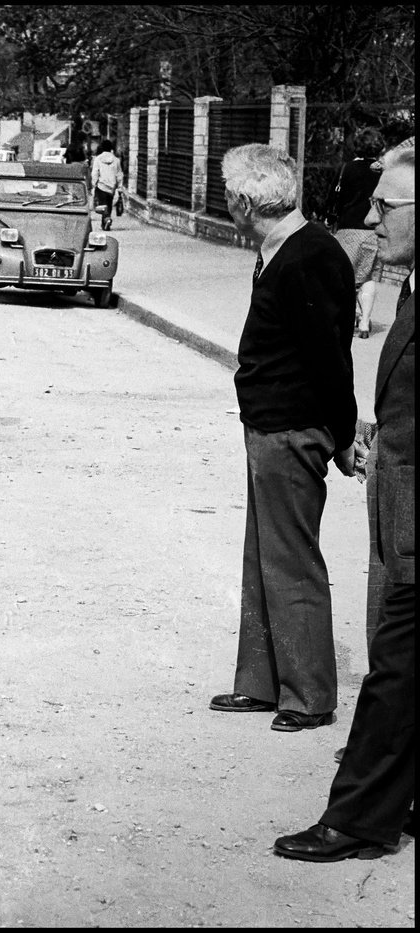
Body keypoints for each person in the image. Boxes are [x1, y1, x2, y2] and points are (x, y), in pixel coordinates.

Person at [274, 139, 414, 862]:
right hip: (401, 505)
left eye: (386, 205)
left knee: (394, 670)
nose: (371, 217)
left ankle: (357, 817)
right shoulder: (409, 285)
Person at [208, 143, 358, 732]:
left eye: (227, 194)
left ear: (245, 203)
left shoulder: (308, 256)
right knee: (263, 557)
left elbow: (330, 359)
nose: (224, 202)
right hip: (271, 425)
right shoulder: (281, 250)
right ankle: (263, 683)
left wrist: (342, 436)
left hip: (293, 429)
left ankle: (309, 695)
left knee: (292, 560)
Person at [326, 127, 385, 338]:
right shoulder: (382, 172)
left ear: (357, 146)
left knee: (345, 277)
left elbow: (334, 197)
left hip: (348, 230)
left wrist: (328, 217)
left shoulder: (346, 169)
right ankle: (365, 323)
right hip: (374, 231)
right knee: (368, 277)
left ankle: (348, 319)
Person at [90, 139, 125, 231]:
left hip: (101, 185)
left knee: (102, 204)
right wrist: (120, 186)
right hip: (112, 187)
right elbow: (119, 175)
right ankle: (106, 221)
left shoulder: (98, 159)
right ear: (111, 148)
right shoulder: (116, 160)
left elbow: (95, 173)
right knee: (109, 204)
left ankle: (106, 219)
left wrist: (94, 183)